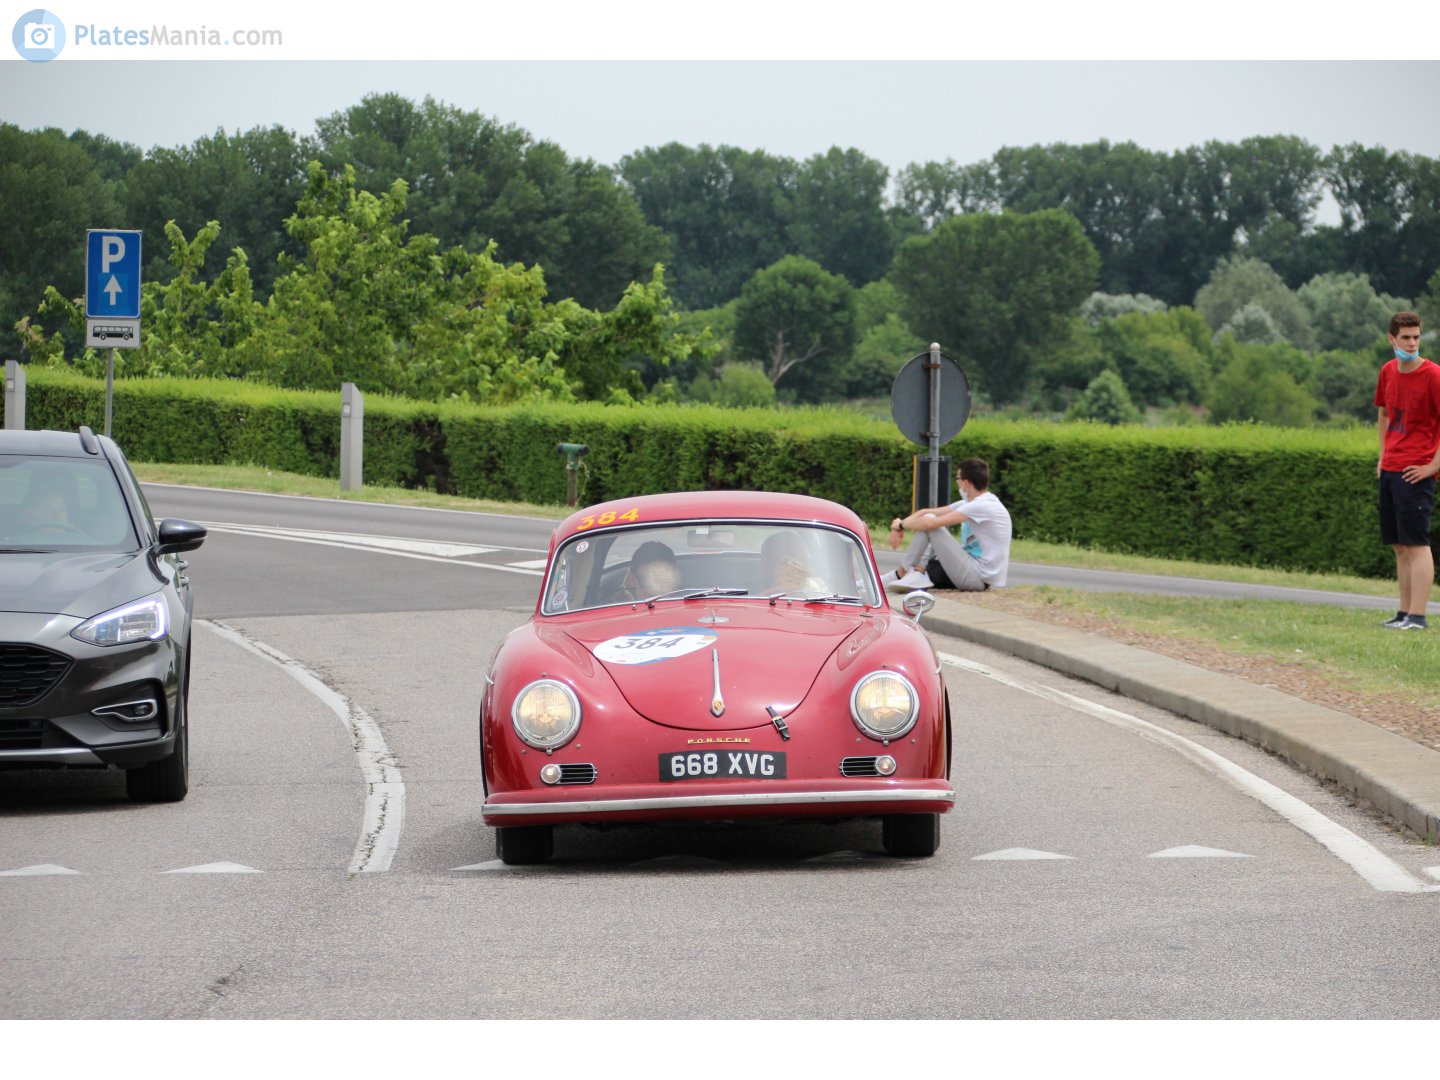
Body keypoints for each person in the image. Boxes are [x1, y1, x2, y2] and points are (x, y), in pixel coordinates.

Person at [1374, 311, 1440, 630]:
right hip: (1390, 469)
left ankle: (1417, 617)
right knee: (1399, 546)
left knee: (1416, 544)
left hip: (1416, 472)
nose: (1412, 343)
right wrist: (1382, 457)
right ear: (1392, 339)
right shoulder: (1387, 371)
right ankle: (1403, 614)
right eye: (1405, 338)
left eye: (1416, 337)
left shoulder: (1434, 375)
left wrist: (1434, 465)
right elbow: (1384, 415)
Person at [884, 458, 1012, 592]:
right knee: (928, 519)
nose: (957, 482)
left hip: (976, 578)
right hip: (975, 572)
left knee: (929, 523)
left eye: (958, 478)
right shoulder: (976, 503)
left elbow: (930, 522)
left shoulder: (981, 505)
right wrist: (897, 526)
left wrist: (901, 525)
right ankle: (915, 573)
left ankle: (904, 573)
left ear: (966, 483)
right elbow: (925, 512)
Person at [760, 531, 827, 595]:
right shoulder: (756, 596)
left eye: (799, 560)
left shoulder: (817, 588)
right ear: (765, 566)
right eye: (781, 561)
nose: (791, 567)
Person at [612, 540, 680, 601]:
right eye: (646, 580)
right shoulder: (619, 606)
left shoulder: (684, 599)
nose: (654, 590)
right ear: (633, 579)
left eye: (662, 580)